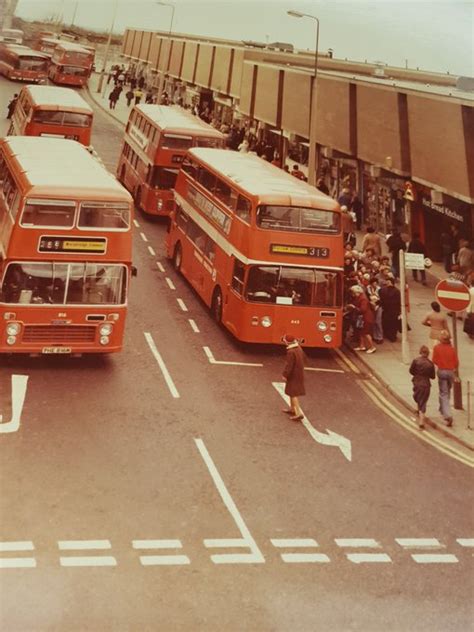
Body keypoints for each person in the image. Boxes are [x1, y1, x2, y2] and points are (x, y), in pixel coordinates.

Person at [432, 330, 459, 427]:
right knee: (447, 392)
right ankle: (442, 409)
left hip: (442, 371)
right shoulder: (452, 349)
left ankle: (448, 415)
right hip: (451, 372)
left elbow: (434, 360)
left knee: (443, 393)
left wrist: (440, 364)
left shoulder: (437, 348)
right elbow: (456, 362)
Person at [409, 345, 435, 429]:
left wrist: (417, 375)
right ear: (428, 354)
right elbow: (433, 376)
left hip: (417, 383)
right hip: (426, 385)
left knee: (418, 399)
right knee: (422, 401)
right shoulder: (430, 364)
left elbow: (411, 371)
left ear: (420, 352)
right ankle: (420, 415)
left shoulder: (416, 361)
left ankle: (421, 421)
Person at [281, 334, 306, 421]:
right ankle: (292, 409)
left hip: (293, 375)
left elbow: (289, 365)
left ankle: (298, 413)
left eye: (284, 341)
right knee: (291, 391)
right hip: (299, 373)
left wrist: (285, 374)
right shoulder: (298, 348)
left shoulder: (290, 352)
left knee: (293, 393)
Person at [348, 285, 376, 353]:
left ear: (357, 292)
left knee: (366, 333)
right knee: (361, 332)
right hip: (361, 318)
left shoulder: (363, 299)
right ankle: (362, 346)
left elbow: (363, 310)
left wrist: (354, 307)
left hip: (366, 318)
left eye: (354, 293)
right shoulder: (359, 297)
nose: (353, 295)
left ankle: (372, 347)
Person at [379, 278, 401, 342]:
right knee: (387, 323)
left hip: (393, 310)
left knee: (393, 324)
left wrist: (399, 311)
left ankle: (392, 336)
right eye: (387, 282)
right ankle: (388, 334)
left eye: (389, 282)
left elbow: (398, 301)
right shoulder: (384, 290)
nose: (387, 283)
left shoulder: (396, 291)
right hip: (387, 310)